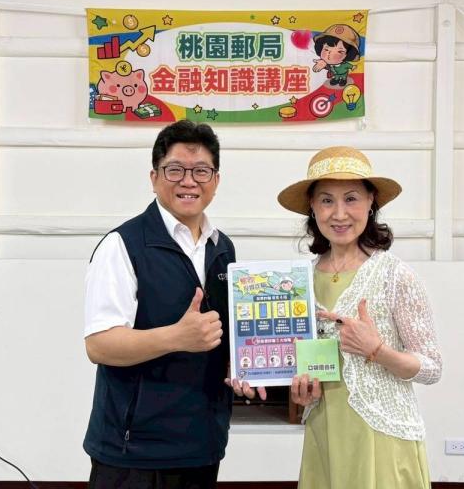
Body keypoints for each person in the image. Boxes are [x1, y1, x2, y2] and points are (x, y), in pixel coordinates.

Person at [83, 120, 246, 489]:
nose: (189, 181)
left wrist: (245, 366)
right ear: (154, 178)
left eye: (201, 171)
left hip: (203, 444)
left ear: (216, 181)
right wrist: (176, 337)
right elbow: (99, 345)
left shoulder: (223, 248)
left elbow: (221, 337)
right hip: (134, 453)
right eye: (175, 170)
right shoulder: (122, 245)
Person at [277, 145, 443, 489]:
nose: (339, 213)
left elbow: (431, 368)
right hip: (325, 433)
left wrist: (377, 350)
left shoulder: (394, 275)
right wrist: (301, 392)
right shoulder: (297, 283)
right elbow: (301, 365)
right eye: (327, 200)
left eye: (351, 198)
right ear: (312, 207)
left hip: (383, 437)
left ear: (371, 202)